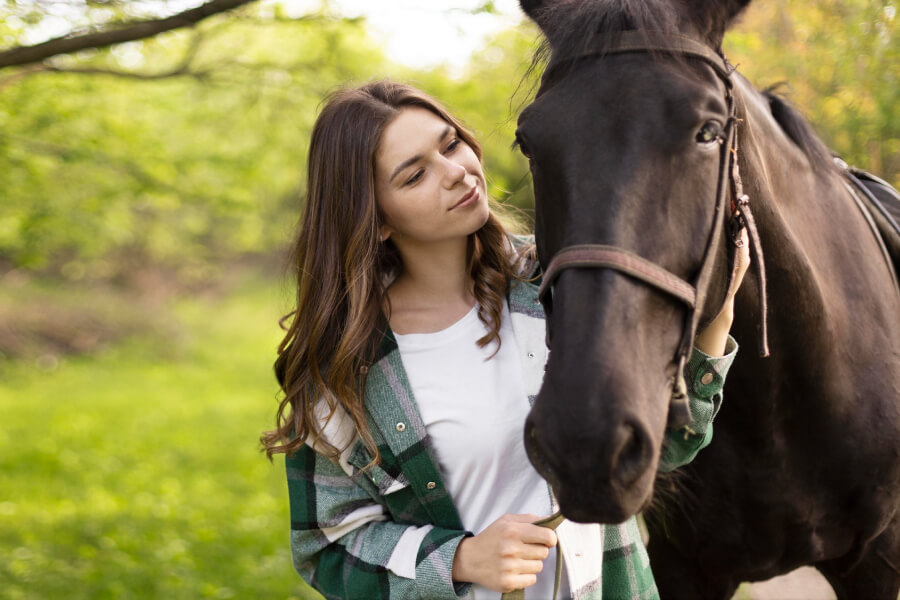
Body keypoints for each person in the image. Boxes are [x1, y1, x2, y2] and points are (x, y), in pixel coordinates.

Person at [261, 80, 747, 599]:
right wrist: (459, 560)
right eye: (415, 175)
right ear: (376, 218)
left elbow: (665, 446)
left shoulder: (563, 285)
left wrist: (716, 322)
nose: (455, 173)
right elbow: (327, 546)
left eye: (451, 144)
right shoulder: (346, 366)